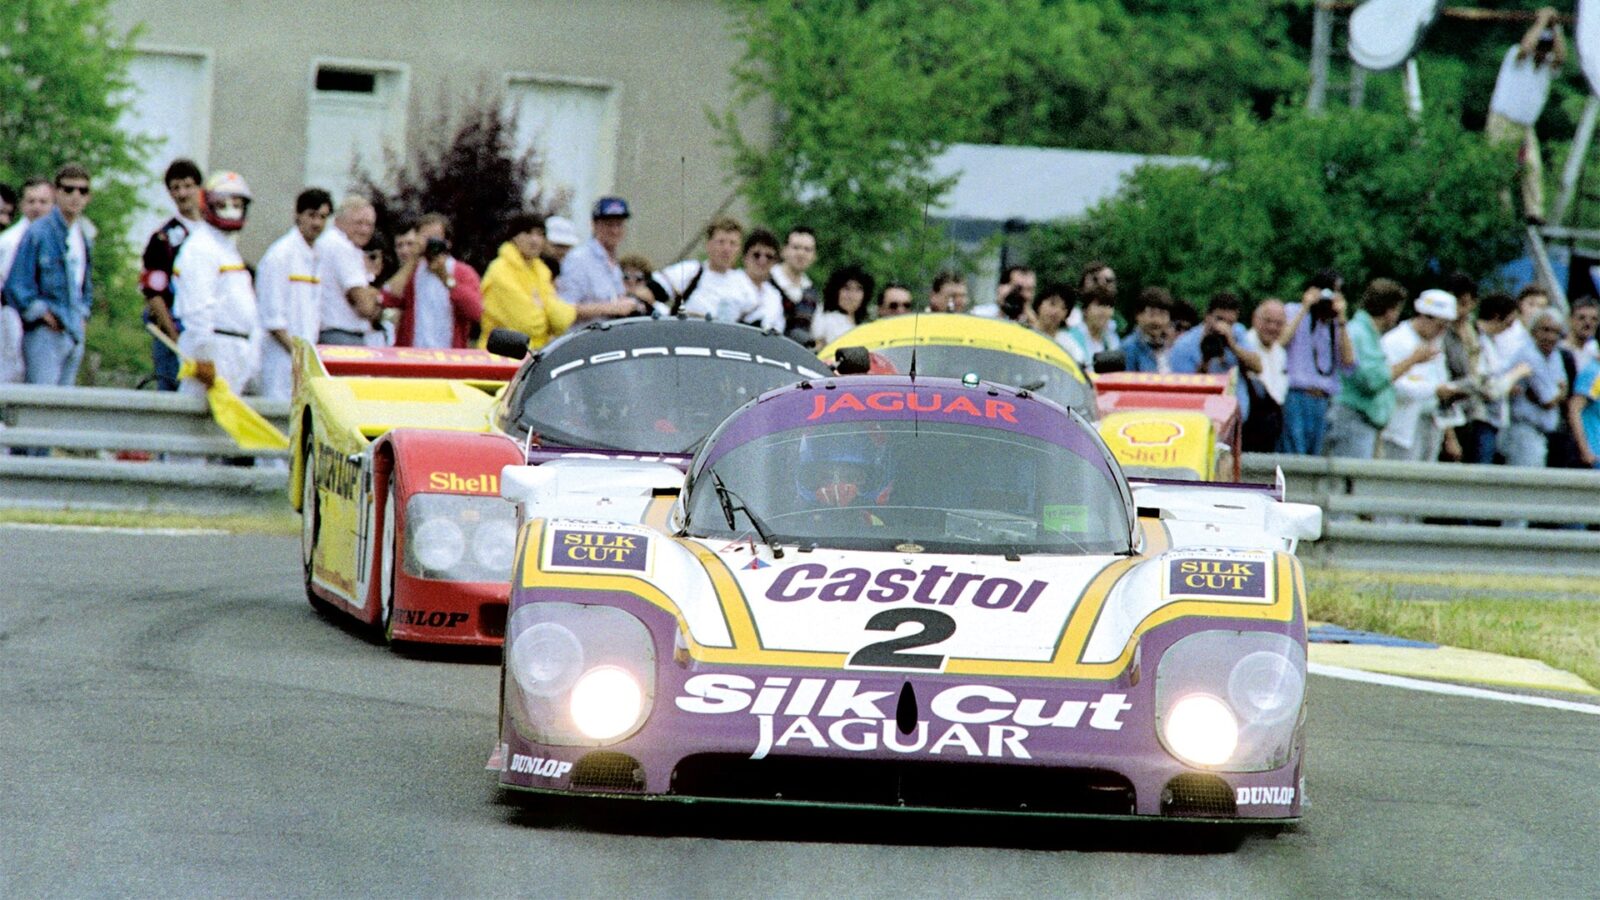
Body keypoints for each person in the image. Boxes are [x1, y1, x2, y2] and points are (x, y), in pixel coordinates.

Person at [478, 214, 640, 353]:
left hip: (533, 355)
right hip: (500, 358)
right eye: (527, 233)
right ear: (514, 237)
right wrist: (550, 312)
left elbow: (561, 320)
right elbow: (529, 325)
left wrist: (545, 310)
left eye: (540, 234)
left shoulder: (540, 271)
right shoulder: (500, 271)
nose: (535, 240)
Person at [3, 163, 96, 387]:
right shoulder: (38, 232)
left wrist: (82, 315)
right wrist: (42, 314)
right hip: (44, 333)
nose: (75, 196)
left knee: (65, 404)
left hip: (73, 331)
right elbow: (16, 284)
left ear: (88, 196)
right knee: (41, 400)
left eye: (82, 191)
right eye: (68, 189)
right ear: (56, 193)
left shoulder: (82, 235)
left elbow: (85, 284)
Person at [172, 171, 261, 401]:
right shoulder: (201, 248)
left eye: (237, 205)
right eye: (223, 205)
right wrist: (203, 356)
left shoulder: (226, 249)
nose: (231, 212)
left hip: (235, 348)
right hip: (215, 348)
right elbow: (197, 307)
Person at [1486, 6, 1566, 224]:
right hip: (1503, 120)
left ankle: (1534, 213)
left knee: (1532, 168)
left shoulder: (1548, 66)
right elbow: (1526, 47)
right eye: (1541, 46)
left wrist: (1555, 26)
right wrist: (1541, 22)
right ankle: (1501, 215)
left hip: (1525, 125)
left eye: (1546, 47)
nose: (1542, 52)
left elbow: (1561, 57)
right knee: (1499, 167)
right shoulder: (1517, 55)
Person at [254, 188, 331, 401]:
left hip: (304, 360)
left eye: (323, 217)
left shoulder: (317, 255)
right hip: (279, 359)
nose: (317, 223)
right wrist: (298, 353)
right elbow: (272, 318)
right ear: (298, 215)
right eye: (312, 215)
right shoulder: (280, 255)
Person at [137, 159, 205, 391]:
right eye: (176, 188)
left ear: (199, 188)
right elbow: (153, 293)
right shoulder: (163, 239)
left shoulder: (214, 234)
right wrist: (173, 336)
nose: (182, 193)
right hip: (175, 332)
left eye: (188, 186)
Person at [1325, 280, 1410, 460]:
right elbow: (1371, 380)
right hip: (1352, 420)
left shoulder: (1370, 334)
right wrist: (1412, 360)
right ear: (1390, 310)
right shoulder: (1359, 333)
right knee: (1352, 475)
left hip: (1365, 422)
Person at [1278, 271, 1356, 454]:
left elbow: (1349, 361)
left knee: (1317, 458)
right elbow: (1280, 343)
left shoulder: (1337, 324)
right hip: (1296, 396)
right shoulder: (1294, 311)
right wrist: (1305, 307)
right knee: (1294, 454)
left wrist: (1341, 319)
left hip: (1324, 400)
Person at [381, 212, 482, 349]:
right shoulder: (412, 271)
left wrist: (446, 278)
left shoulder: (462, 272)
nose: (429, 243)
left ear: (447, 243)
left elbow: (476, 311)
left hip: (449, 353)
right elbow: (387, 298)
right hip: (412, 353)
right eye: (424, 237)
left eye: (434, 237)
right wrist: (412, 260)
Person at [1379, 290, 1459, 461]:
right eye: (1439, 326)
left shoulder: (1436, 343)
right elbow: (1392, 384)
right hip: (1401, 428)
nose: (1441, 332)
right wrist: (1434, 390)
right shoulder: (1395, 341)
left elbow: (1441, 380)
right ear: (1425, 317)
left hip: (1431, 424)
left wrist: (1450, 436)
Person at [0, 177, 53, 386]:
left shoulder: (61, 238)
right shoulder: (9, 242)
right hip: (12, 318)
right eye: (31, 201)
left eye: (43, 201)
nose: (37, 207)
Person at [657, 217, 758, 322]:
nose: (726, 249)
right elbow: (650, 292)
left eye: (733, 244)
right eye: (721, 242)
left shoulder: (745, 285)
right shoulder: (690, 271)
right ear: (708, 245)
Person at [315, 196, 382, 346]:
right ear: (339, 221)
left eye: (369, 224)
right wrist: (378, 298)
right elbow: (366, 307)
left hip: (328, 334)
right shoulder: (342, 247)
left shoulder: (326, 242)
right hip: (342, 337)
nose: (365, 230)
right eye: (358, 223)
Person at [556, 196, 631, 310]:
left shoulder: (613, 261)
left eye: (619, 224)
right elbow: (566, 307)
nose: (615, 231)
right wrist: (611, 308)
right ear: (594, 225)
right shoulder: (579, 259)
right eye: (609, 224)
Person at [773, 226, 818, 344]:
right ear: (784, 251)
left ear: (814, 256)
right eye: (796, 247)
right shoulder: (767, 282)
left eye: (807, 249)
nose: (801, 253)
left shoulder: (811, 293)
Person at [811, 265, 874, 347]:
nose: (851, 296)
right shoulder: (823, 314)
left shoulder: (865, 325)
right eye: (847, 288)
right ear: (836, 290)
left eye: (858, 289)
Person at [737, 228, 786, 331]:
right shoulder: (730, 282)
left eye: (769, 257)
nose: (762, 260)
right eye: (756, 255)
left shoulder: (774, 296)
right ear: (745, 257)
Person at [1120, 287, 1175, 373]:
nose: (1157, 321)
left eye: (1163, 315)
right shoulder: (1128, 348)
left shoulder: (1170, 347)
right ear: (1138, 315)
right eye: (1152, 314)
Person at [1064, 287, 1119, 367]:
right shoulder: (1070, 338)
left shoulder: (1112, 340)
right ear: (1085, 310)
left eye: (1108, 306)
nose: (1104, 311)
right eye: (1099, 305)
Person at [1030, 283, 1077, 355]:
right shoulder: (1023, 332)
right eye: (1052, 304)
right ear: (1039, 304)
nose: (1056, 311)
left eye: (1063, 308)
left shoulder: (1068, 346)